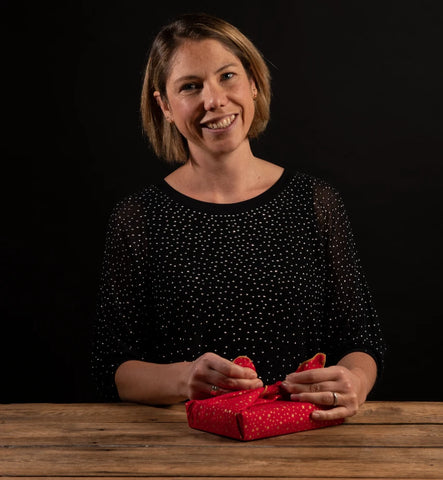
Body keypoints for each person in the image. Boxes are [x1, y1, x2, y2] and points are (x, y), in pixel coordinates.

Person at [91, 12, 385, 422]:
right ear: (165, 106)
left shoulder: (316, 203)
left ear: (252, 81)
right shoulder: (137, 217)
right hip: (183, 445)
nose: (214, 100)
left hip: (306, 440)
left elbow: (361, 338)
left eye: (227, 76)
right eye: (190, 87)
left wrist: (355, 379)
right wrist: (183, 378)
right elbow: (113, 368)